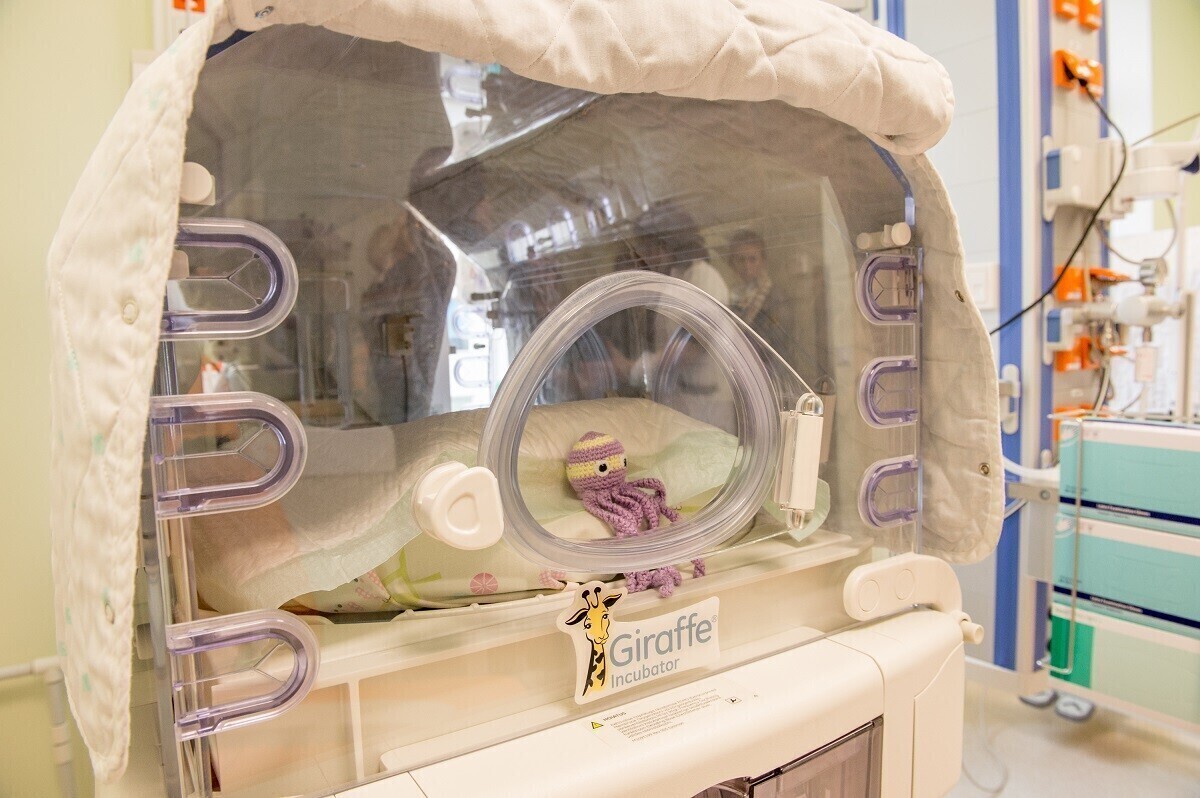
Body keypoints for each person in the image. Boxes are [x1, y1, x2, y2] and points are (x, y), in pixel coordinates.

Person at [726, 229, 773, 326]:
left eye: (752, 259)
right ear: (732, 264)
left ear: (763, 262)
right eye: (741, 260)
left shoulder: (774, 296)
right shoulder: (730, 293)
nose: (747, 266)